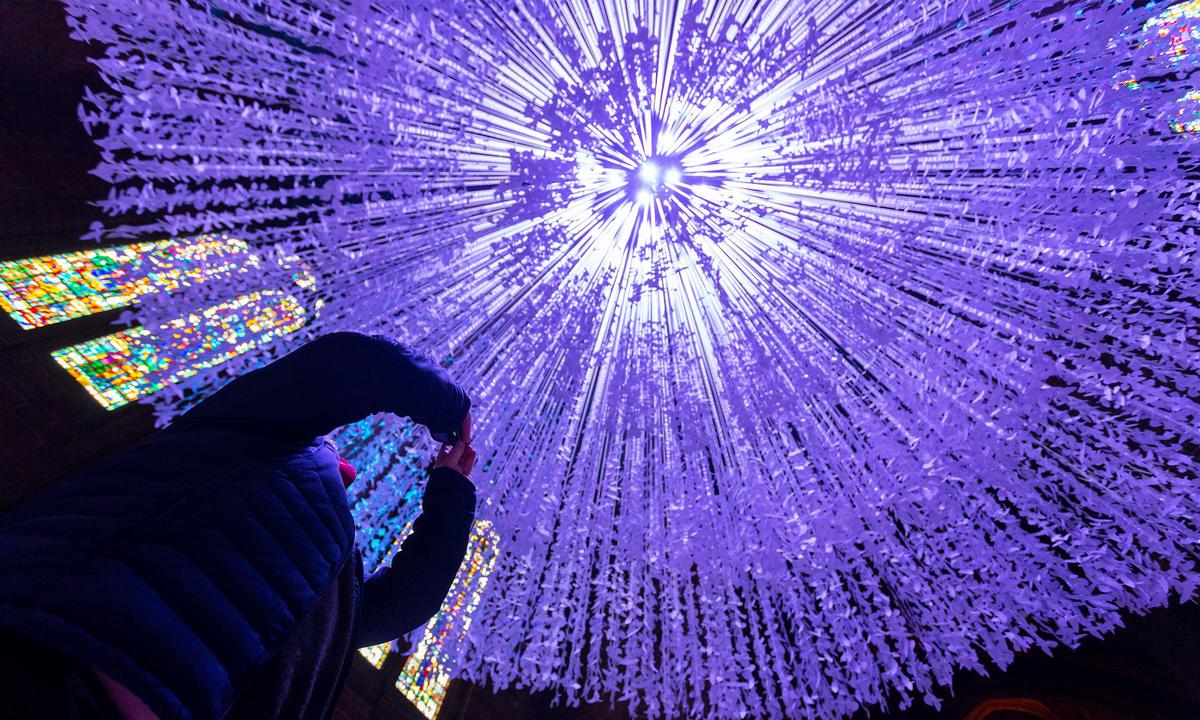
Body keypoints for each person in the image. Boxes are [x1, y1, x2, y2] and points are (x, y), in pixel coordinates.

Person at [0, 332, 478, 719]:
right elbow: (353, 367)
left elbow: (407, 602)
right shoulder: (245, 436)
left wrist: (450, 490)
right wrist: (451, 409)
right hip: (54, 656)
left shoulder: (338, 582)